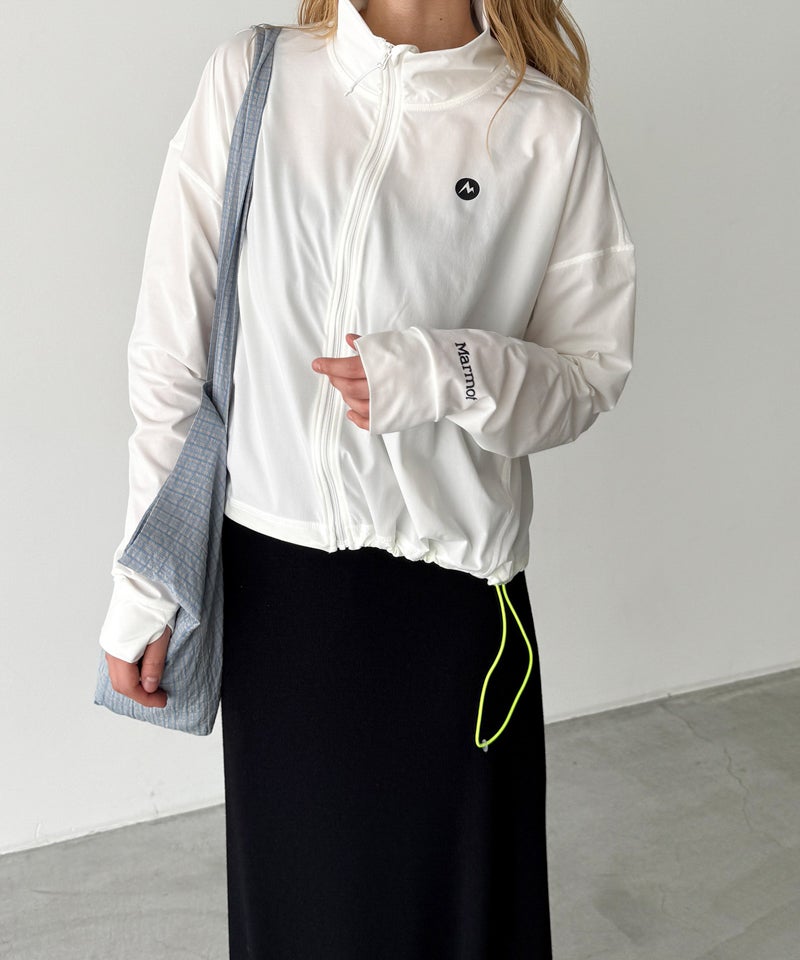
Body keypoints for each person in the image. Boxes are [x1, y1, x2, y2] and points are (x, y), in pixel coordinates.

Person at [98, 0, 636, 955]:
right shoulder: (256, 78)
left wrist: (447, 369)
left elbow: (588, 376)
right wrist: (148, 581)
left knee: (459, 926)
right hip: (280, 599)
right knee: (302, 925)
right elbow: (172, 351)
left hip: (456, 609)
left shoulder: (545, 128)